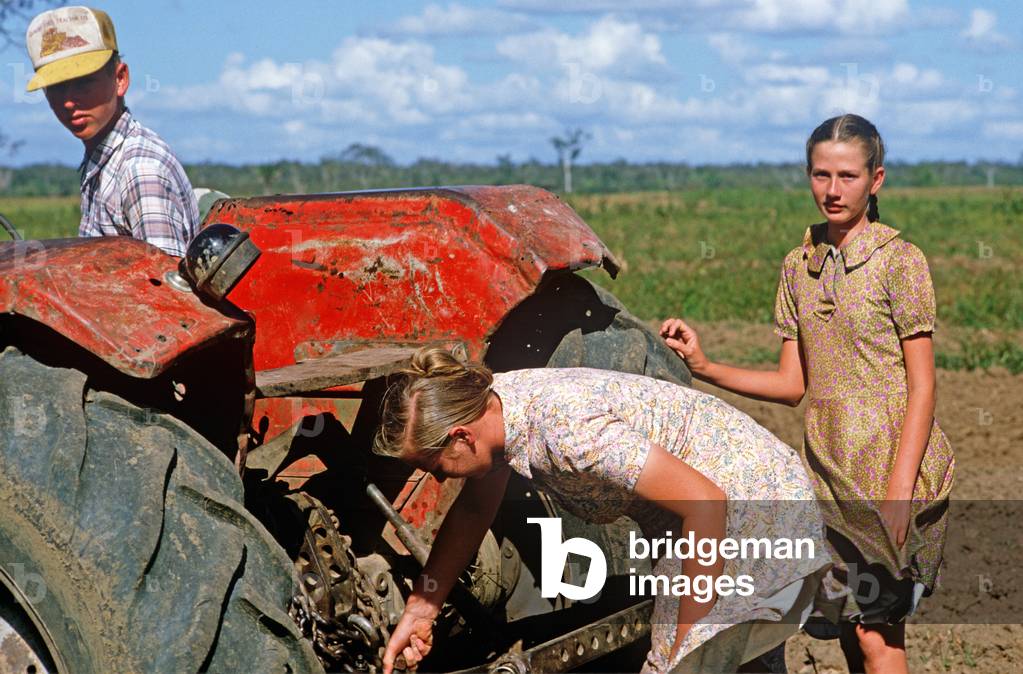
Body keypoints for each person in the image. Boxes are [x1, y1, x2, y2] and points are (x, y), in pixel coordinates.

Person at [660, 114, 954, 673]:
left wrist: (899, 491)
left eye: (847, 175)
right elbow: (792, 385)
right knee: (847, 629)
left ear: (877, 180)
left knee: (876, 635)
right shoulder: (798, 268)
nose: (833, 190)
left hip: (892, 471)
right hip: (824, 476)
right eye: (822, 175)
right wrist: (703, 365)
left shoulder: (900, 263)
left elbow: (924, 386)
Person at [374, 347, 832, 674]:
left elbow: (708, 502)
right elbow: (474, 514)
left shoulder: (567, 432)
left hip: (749, 508)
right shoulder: (496, 407)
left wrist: (686, 644)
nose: (438, 479)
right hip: (707, 512)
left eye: (435, 467)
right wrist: (422, 607)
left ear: (461, 436)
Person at [25, 6, 199, 256]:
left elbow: (165, 290)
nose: (68, 101)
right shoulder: (102, 160)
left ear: (120, 79)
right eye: (56, 87)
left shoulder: (140, 171)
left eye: (84, 83)